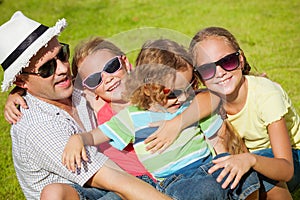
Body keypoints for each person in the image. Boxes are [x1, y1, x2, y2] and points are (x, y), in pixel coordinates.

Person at [0, 10, 172, 200]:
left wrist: (16, 92)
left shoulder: (75, 86)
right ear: (21, 80)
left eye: (62, 54)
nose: (64, 69)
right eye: (47, 68)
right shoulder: (37, 126)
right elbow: (113, 178)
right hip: (95, 188)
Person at [63, 39, 260, 200]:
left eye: (187, 87)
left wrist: (224, 162)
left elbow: (218, 138)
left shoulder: (189, 104)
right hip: (176, 181)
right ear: (149, 88)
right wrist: (79, 139)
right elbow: (102, 133)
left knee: (246, 176)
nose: (182, 97)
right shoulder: (132, 116)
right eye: (170, 93)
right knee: (203, 191)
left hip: (208, 165)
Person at [145, 26, 300, 199]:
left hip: (290, 159)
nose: (220, 73)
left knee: (254, 167)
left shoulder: (267, 95)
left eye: (227, 61)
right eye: (207, 69)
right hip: (245, 158)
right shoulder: (209, 98)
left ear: (240, 59)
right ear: (199, 77)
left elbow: (286, 169)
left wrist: (250, 160)